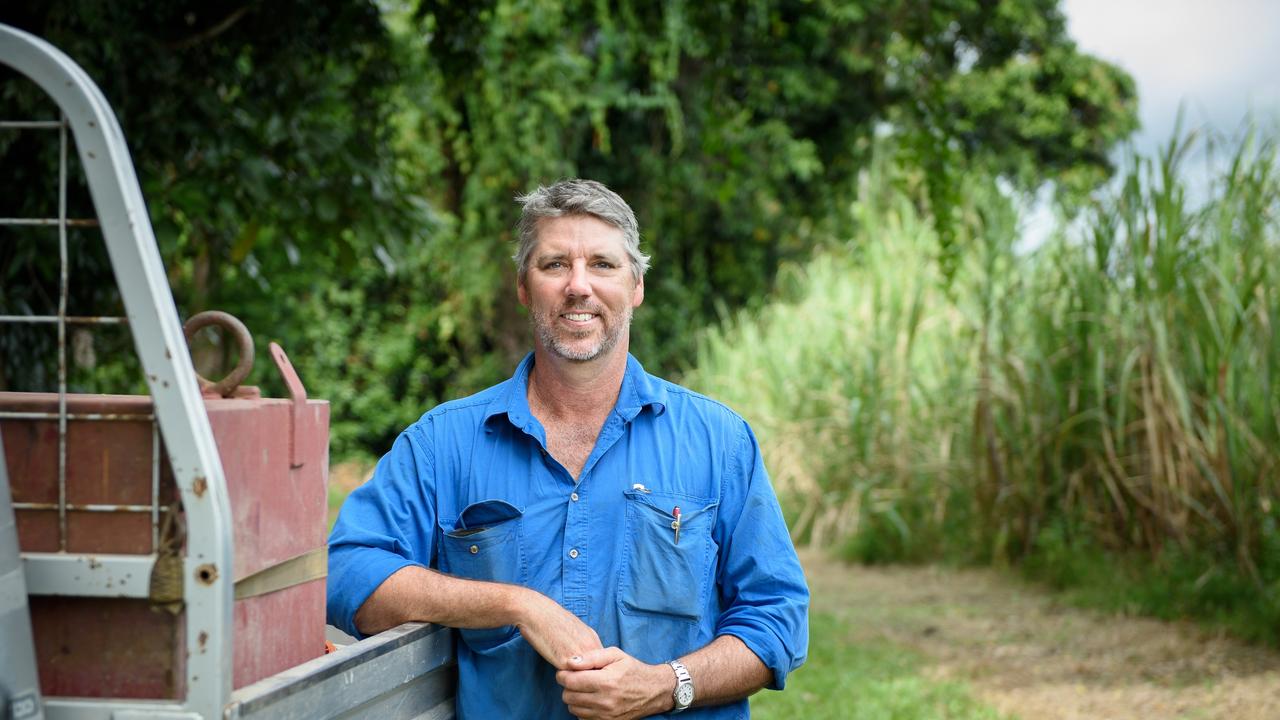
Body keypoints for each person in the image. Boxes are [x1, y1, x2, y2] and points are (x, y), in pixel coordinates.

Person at [327, 179, 808, 719]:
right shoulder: (444, 444)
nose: (578, 286)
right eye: (555, 264)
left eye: (602, 264)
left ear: (636, 286)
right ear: (523, 288)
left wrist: (665, 685)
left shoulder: (719, 441)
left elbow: (777, 617)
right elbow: (347, 573)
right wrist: (516, 605)